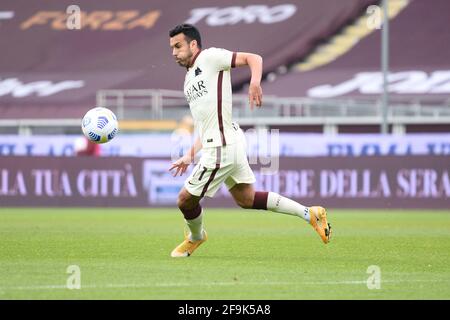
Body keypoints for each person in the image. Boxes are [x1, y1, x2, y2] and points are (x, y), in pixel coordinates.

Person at [168, 24, 332, 258]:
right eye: (172, 48)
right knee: (246, 199)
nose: (174, 52)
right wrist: (189, 155)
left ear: (193, 44)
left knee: (185, 200)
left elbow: (253, 58)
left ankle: (196, 237)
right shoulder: (188, 81)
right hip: (227, 140)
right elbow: (206, 126)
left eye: (178, 46)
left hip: (222, 147)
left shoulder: (211, 57)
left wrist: (255, 82)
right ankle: (310, 213)